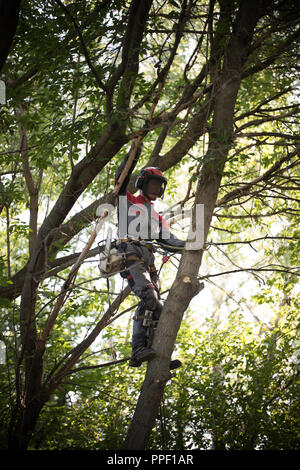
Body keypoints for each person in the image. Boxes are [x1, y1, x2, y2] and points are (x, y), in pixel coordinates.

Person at [115, 143, 185, 368]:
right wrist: (133, 155)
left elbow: (170, 241)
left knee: (160, 308)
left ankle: (160, 358)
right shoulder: (128, 201)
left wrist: (193, 244)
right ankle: (137, 351)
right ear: (143, 184)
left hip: (148, 262)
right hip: (130, 255)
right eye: (152, 183)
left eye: (158, 184)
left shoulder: (156, 216)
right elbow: (121, 179)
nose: (155, 187)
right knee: (149, 297)